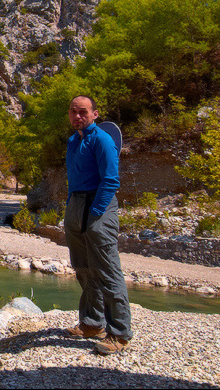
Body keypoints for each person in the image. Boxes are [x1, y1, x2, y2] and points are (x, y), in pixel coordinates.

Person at [63, 95, 132, 355]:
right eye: (73, 111)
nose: (77, 116)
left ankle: (120, 333)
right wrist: (72, 206)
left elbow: (111, 180)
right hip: (76, 204)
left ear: (95, 114)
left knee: (107, 268)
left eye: (83, 111)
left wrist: (96, 211)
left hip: (99, 204)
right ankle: (92, 323)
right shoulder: (73, 141)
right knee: (83, 266)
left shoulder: (102, 139)